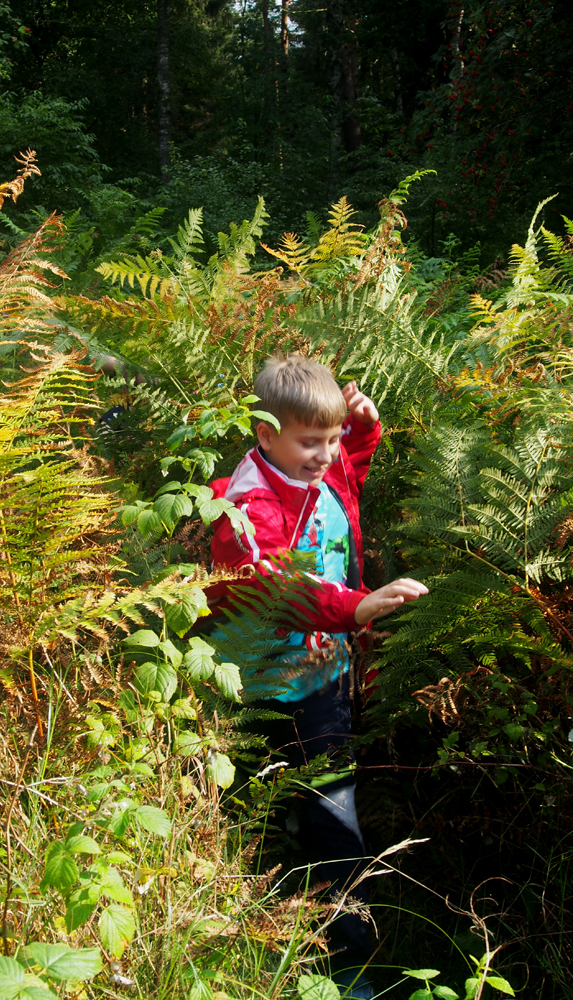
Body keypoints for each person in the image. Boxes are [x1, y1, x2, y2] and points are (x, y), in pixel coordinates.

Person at [207, 355, 428, 998]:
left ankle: (348, 964)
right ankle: (249, 930)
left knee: (333, 810)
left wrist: (360, 431)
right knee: (255, 809)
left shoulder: (321, 471)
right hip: (261, 690)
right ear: (264, 432)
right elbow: (277, 586)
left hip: (323, 680)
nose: (326, 455)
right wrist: (354, 607)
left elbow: (346, 479)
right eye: (312, 441)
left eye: (330, 441)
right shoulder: (248, 505)